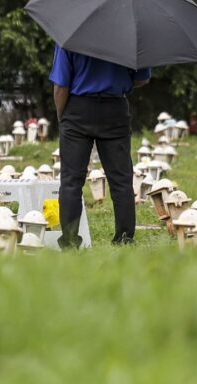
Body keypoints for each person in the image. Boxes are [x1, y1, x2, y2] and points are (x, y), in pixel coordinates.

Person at [50, 45, 151, 248]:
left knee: (71, 180)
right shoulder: (130, 35)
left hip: (78, 108)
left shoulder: (70, 35)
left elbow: (61, 85)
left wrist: (63, 117)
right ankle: (124, 240)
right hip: (115, 108)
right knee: (121, 180)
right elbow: (142, 78)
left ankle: (69, 242)